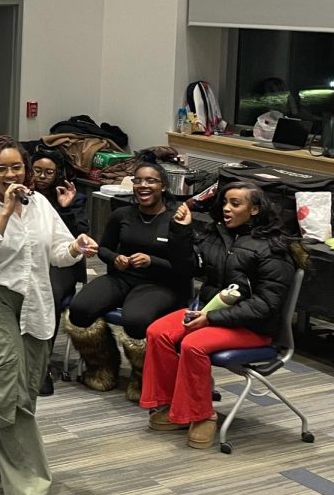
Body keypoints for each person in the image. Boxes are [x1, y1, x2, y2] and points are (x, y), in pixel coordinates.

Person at [0, 135, 98, 495]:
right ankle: (27, 487)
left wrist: (76, 247)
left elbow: (57, 251)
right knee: (7, 391)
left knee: (26, 387)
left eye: (17, 167)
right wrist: (3, 213)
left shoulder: (41, 204)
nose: (11, 174)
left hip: (34, 299)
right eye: (1, 168)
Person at [141, 181, 306, 450]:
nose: (227, 209)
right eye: (225, 203)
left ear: (254, 209)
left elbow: (265, 305)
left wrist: (210, 319)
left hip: (254, 327)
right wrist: (180, 232)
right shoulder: (217, 235)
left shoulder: (273, 249)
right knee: (157, 332)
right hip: (209, 313)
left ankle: (202, 414)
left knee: (193, 345)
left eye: (235, 204)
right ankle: (173, 405)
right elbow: (187, 269)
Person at [63, 158, 192, 401]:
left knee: (135, 321)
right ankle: (102, 367)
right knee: (79, 310)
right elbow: (103, 248)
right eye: (138, 181)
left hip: (160, 283)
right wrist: (115, 258)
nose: (143, 185)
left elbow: (186, 269)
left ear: (163, 186)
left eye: (151, 181)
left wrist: (152, 261)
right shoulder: (122, 214)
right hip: (122, 277)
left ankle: (142, 376)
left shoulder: (176, 219)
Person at [29, 147, 88, 396]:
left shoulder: (74, 197)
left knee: (48, 294)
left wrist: (65, 208)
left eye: (49, 172)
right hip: (32, 259)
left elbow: (80, 239)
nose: (42, 176)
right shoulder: (25, 196)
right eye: (38, 171)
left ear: (58, 174)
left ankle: (42, 364)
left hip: (63, 263)